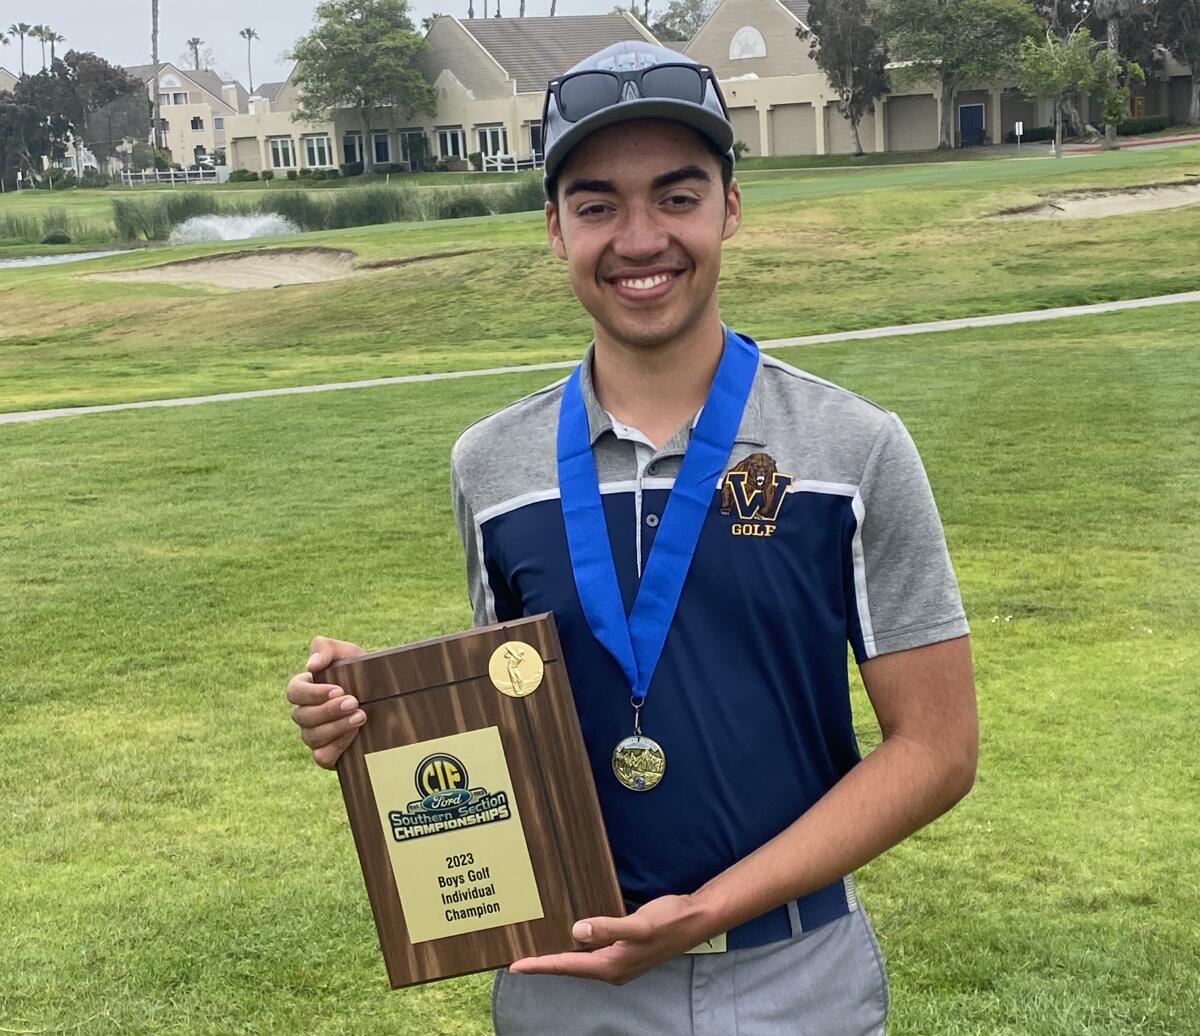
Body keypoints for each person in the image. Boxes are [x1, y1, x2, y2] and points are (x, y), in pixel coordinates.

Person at [286, 41, 978, 1036]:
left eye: (678, 196)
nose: (641, 238)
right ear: (554, 225)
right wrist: (381, 705)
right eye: (599, 203)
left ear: (731, 205)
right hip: (565, 982)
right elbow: (515, 723)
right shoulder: (493, 467)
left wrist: (708, 908)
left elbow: (939, 748)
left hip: (794, 977)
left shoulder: (850, 448)